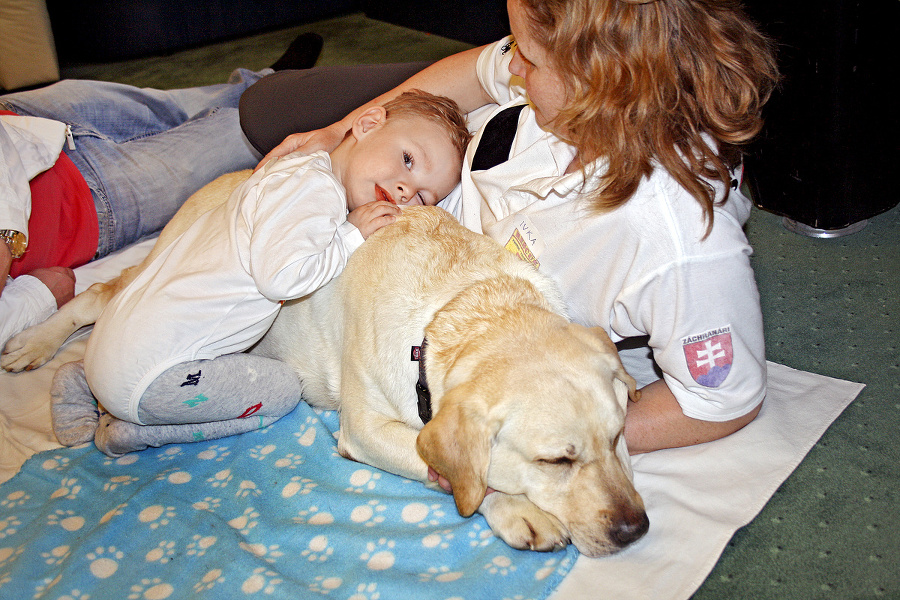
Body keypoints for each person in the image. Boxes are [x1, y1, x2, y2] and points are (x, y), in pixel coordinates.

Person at [241, 0, 780, 457]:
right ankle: (233, 96)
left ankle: (205, 107)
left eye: (531, 57)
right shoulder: (570, 67)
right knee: (267, 113)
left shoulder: (677, 243)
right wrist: (340, 132)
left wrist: (540, 434)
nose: (513, 61)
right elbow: (480, 71)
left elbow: (718, 404)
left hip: (410, 224)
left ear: (601, 82)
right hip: (423, 140)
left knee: (250, 133)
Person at [50, 90, 470, 457]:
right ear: (366, 122)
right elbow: (282, 278)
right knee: (282, 390)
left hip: (111, 345)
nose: (403, 190)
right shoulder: (318, 195)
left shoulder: (293, 170)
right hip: (151, 379)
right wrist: (349, 236)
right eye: (408, 160)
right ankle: (138, 431)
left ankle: (83, 382)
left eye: (421, 196)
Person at [0, 34, 325, 351]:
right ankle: (301, 94)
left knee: (179, 105)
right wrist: (38, 295)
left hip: (18, 119)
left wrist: (7, 237)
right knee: (248, 130)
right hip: (88, 203)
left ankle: (267, 80)